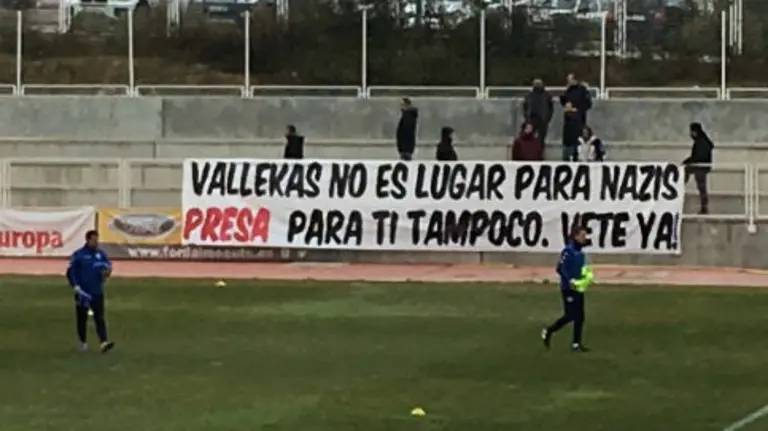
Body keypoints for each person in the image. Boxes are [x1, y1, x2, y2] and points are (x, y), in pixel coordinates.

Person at [542, 225, 593, 353]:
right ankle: (549, 330)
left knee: (580, 316)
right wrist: (569, 280)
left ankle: (576, 343)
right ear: (575, 236)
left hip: (578, 287)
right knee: (570, 315)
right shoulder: (568, 251)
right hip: (568, 288)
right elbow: (560, 268)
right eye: (582, 235)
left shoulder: (580, 253)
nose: (584, 238)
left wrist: (585, 278)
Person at [66, 230, 115, 353]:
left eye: (97, 240)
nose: (96, 242)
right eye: (94, 240)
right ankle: (82, 342)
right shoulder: (79, 255)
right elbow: (70, 272)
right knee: (82, 319)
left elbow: (107, 267)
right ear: (88, 240)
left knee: (99, 317)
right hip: (83, 292)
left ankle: (103, 342)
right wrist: (75, 286)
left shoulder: (101, 254)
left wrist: (107, 273)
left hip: (97, 291)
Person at [683, 122, 714, 215]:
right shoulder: (703, 141)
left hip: (700, 167)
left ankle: (704, 207)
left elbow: (698, 156)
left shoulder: (701, 142)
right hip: (700, 167)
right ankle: (704, 207)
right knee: (701, 187)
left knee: (701, 187)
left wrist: (687, 162)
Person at [522, 78, 554, 146]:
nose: (537, 85)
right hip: (531, 119)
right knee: (529, 138)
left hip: (542, 120)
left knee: (541, 139)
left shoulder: (547, 95)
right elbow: (525, 108)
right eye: (536, 84)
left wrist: (547, 119)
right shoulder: (529, 96)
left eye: (539, 84)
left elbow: (551, 108)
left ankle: (539, 153)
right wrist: (527, 119)